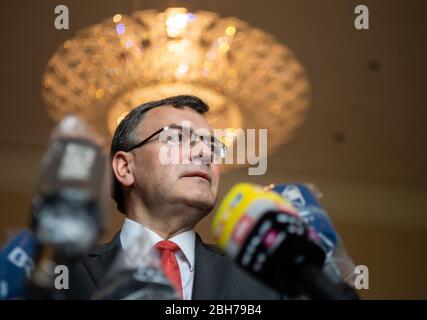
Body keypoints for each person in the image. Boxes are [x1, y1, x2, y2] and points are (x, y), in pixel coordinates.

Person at [70, 95, 280, 300]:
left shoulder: (261, 278)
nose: (205, 154)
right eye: (177, 138)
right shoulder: (64, 273)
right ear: (125, 167)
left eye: (213, 147)